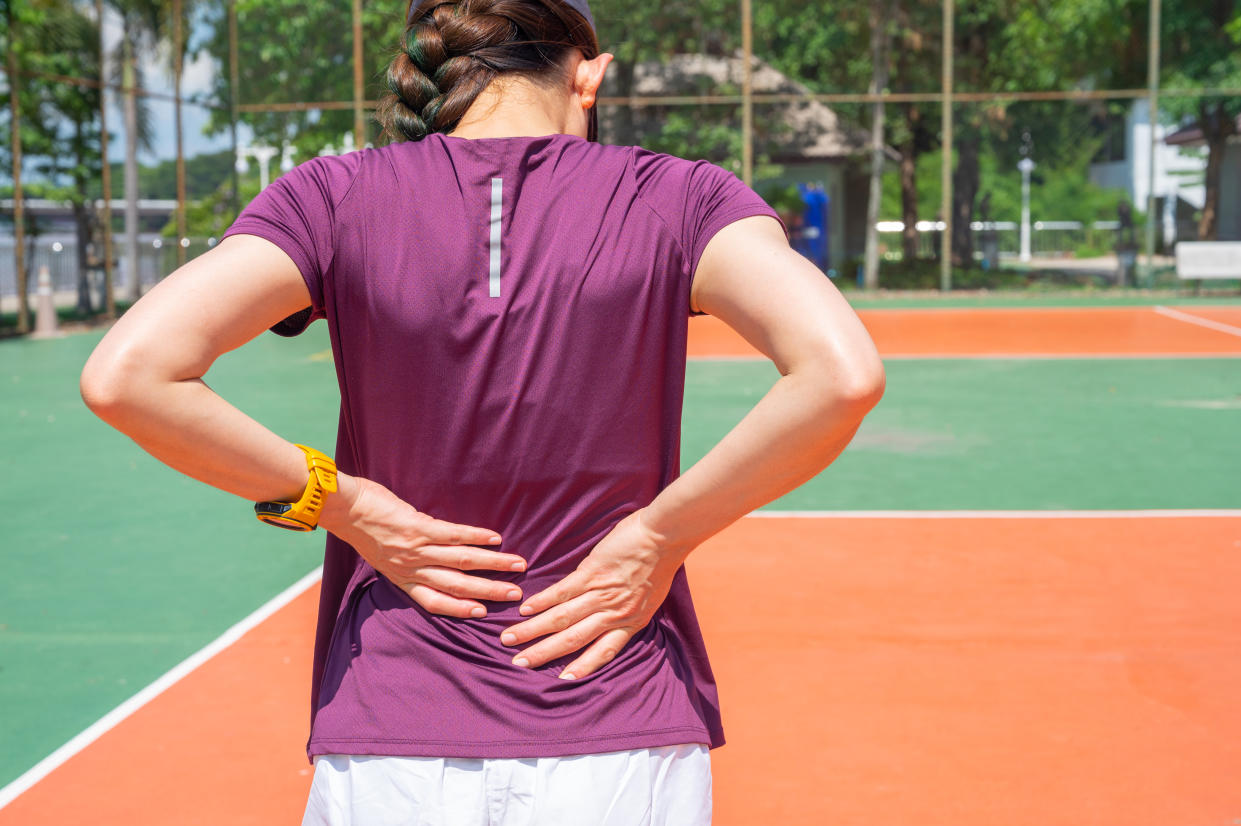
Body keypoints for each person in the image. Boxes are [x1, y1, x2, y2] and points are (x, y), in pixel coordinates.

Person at [79, 0, 885, 822]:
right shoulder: (678, 196)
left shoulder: (333, 194)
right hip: (616, 717)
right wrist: (658, 536)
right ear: (589, 73)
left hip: (394, 727)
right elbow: (839, 374)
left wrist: (345, 505)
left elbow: (129, 375)